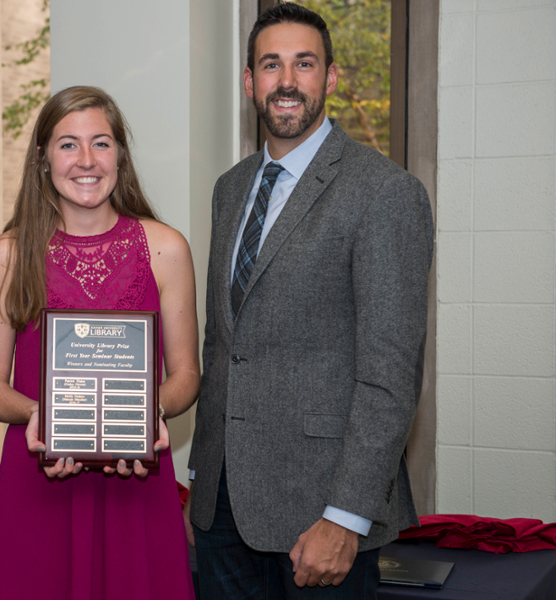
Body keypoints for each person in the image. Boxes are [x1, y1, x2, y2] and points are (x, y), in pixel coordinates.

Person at [184, 3, 434, 598]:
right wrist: (201, 478)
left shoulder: (384, 192)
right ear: (250, 81)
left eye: (304, 63)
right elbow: (223, 344)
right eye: (271, 65)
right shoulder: (231, 189)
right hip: (223, 512)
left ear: (331, 78)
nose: (287, 81)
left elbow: (390, 378)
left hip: (319, 517)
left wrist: (346, 517)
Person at [0, 86, 199, 599]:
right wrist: (43, 417)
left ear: (120, 153)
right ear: (42, 157)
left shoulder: (165, 247)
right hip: (39, 474)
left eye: (101, 142)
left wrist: (140, 416)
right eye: (67, 144)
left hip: (135, 481)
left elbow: (186, 376)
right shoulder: (7, 255)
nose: (86, 160)